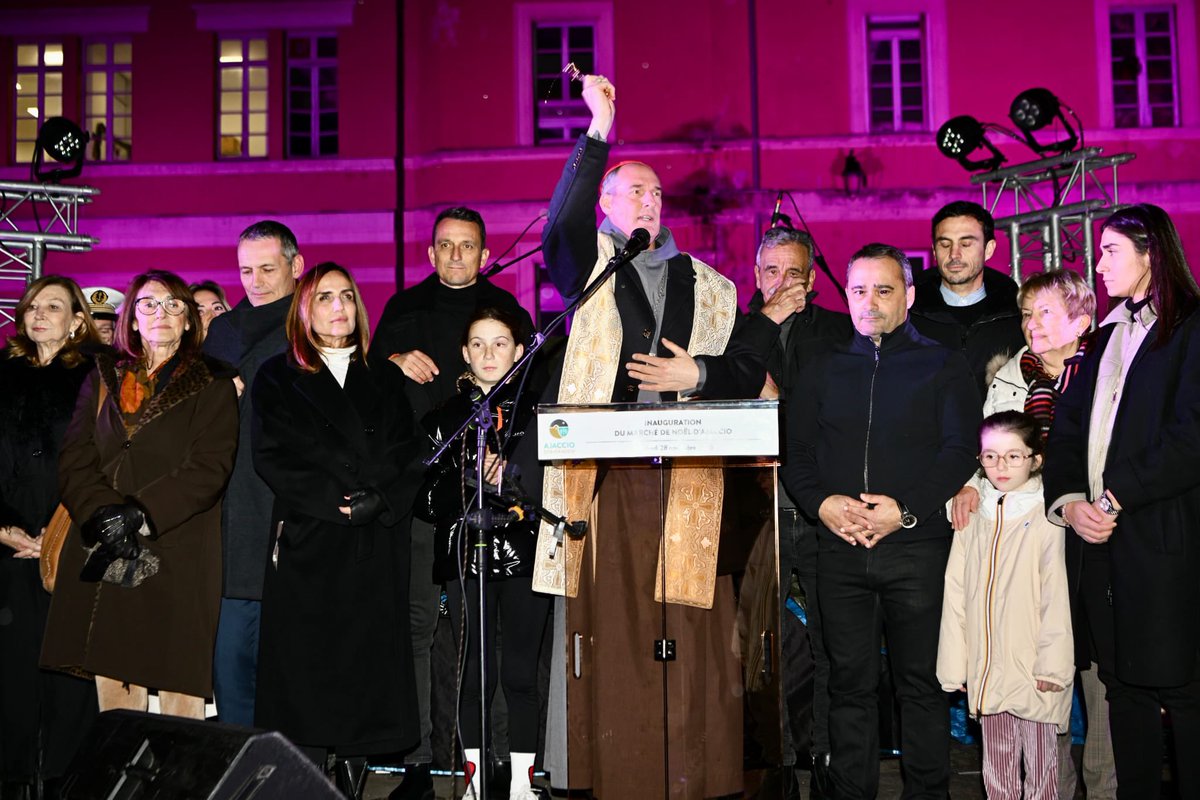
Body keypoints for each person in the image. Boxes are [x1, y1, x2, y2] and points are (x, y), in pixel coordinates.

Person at [538, 73, 775, 800]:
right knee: (611, 631)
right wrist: (598, 131)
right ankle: (617, 776)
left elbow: (745, 366)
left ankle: (695, 776)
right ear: (606, 204)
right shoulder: (587, 271)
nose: (649, 201)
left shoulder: (711, 285)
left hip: (690, 475)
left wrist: (695, 373)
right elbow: (559, 225)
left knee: (690, 630)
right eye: (633, 191)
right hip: (606, 481)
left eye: (656, 193)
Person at [783, 243, 980, 798]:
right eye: (858, 291)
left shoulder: (944, 363)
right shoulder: (820, 366)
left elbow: (959, 450)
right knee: (848, 686)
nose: (869, 302)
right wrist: (822, 504)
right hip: (840, 548)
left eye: (884, 290)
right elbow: (795, 452)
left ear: (909, 295)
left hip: (916, 550)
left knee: (921, 687)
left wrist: (905, 510)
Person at [371, 206, 532, 800]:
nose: (456, 254)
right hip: (423, 495)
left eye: (467, 245)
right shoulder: (402, 310)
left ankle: (496, 759)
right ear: (430, 252)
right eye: (445, 244)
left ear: (485, 255)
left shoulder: (508, 311)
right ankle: (417, 757)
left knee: (490, 636)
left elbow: (531, 390)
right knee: (418, 624)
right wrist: (389, 361)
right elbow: (370, 392)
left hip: (496, 499)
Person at [1044, 203, 1200, 799]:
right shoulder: (1104, 336)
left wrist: (1113, 499)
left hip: (1164, 540)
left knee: (1183, 690)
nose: (1099, 265)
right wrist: (1069, 503)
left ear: (1151, 254)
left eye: (1111, 251)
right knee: (1121, 688)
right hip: (1098, 546)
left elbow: (1191, 437)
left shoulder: (1191, 328)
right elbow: (1064, 431)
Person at [251, 262, 420, 800]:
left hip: (372, 543)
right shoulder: (277, 376)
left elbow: (408, 453)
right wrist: (337, 503)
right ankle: (308, 779)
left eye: (346, 295)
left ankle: (355, 777)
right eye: (324, 297)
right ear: (304, 309)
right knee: (308, 671)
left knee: (365, 672)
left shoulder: (384, 376)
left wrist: (381, 499)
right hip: (311, 541)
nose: (339, 307)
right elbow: (272, 456)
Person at [41, 269, 239, 720]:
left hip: (177, 547)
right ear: (132, 319)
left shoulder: (213, 382)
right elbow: (75, 457)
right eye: (148, 304)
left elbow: (210, 467)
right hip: (104, 542)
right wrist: (102, 514)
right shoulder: (103, 376)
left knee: (178, 690)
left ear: (188, 321)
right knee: (115, 684)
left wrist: (139, 513)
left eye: (173, 304)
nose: (160, 313)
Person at [950, 269, 1114, 799]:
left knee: (1093, 666)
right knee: (1038, 674)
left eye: (1045, 312)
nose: (1031, 323)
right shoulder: (1008, 379)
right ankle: (1054, 789)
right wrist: (971, 484)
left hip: (1093, 533)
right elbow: (989, 450)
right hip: (1029, 532)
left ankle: (1104, 784)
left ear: (1081, 320)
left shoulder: (1106, 370)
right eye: (1026, 313)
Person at [418, 307, 548, 800]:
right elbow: (423, 499)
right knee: (472, 674)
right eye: (478, 343)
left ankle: (522, 785)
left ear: (519, 350)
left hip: (525, 552)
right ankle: (473, 784)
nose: (489, 353)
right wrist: (467, 477)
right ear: (464, 353)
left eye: (500, 343)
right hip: (464, 552)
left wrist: (512, 480)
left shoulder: (540, 412)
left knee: (520, 673)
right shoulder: (443, 419)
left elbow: (560, 487)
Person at [748, 225, 851, 798]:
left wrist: (778, 404)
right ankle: (775, 769)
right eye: (771, 271)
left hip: (820, 511)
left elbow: (836, 420)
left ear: (812, 280)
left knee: (830, 644)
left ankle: (828, 765)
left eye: (794, 272)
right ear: (755, 275)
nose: (782, 283)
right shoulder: (736, 332)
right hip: (755, 511)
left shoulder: (839, 333)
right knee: (758, 648)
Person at [0, 277, 102, 800]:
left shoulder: (99, 378)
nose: (38, 314)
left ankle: (68, 784)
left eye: (53, 306)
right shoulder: (2, 374)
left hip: (73, 545)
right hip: (6, 547)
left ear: (77, 320)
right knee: (11, 675)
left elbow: (110, 465)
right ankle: (14, 780)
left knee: (69, 676)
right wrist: (2, 529)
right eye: (32, 306)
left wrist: (61, 533)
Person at [938, 411, 1074, 800]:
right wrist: (954, 664)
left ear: (1035, 459)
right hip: (988, 670)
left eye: (1014, 456)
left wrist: (1053, 665)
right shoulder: (971, 516)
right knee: (997, 771)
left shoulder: (1048, 515)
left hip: (1035, 672)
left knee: (1043, 771)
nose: (1001, 466)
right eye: (990, 456)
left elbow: (1056, 594)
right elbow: (955, 591)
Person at [202, 220, 304, 727]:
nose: (256, 281)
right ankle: (239, 755)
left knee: (290, 661)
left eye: (267, 268)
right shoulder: (223, 332)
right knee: (233, 659)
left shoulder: (312, 324)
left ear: (296, 265)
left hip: (293, 507)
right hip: (232, 508)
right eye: (246, 271)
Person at [909, 201, 1026, 399]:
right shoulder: (907, 319)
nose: (954, 254)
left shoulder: (1017, 318)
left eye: (965, 244)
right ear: (934, 250)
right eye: (945, 244)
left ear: (989, 249)